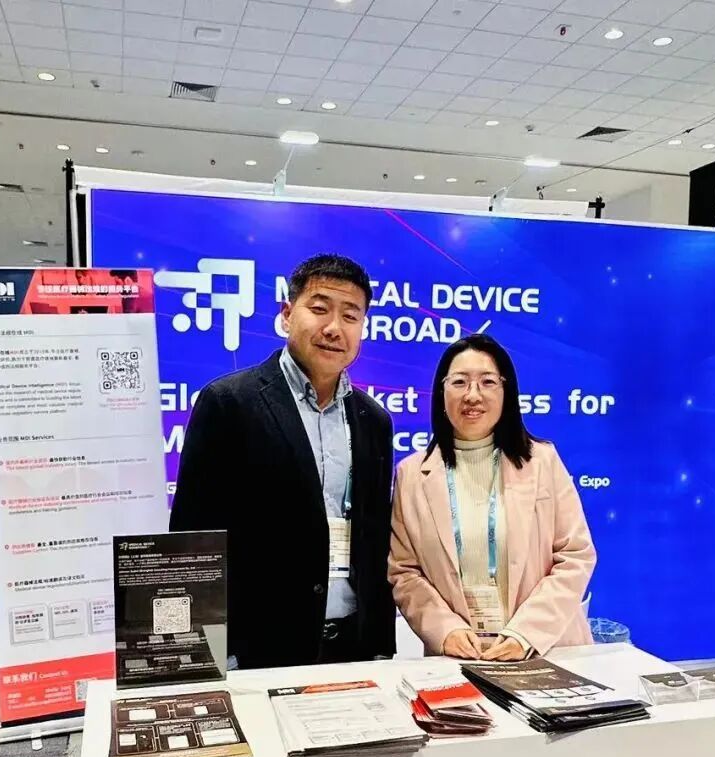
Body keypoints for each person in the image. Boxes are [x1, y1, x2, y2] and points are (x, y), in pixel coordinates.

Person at [170, 253, 395, 670]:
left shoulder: (373, 420)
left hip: (352, 648)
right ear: (288, 314)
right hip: (257, 651)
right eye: (320, 308)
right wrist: (210, 654)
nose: (334, 328)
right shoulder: (229, 403)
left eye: (351, 316)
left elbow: (375, 538)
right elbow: (193, 538)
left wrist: (381, 644)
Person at [389, 335, 595, 660]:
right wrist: (444, 630)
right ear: (442, 392)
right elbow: (404, 572)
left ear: (505, 391)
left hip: (544, 650)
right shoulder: (412, 475)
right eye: (459, 382)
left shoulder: (543, 461)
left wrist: (526, 633)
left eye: (487, 382)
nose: (472, 395)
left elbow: (575, 555)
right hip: (459, 656)